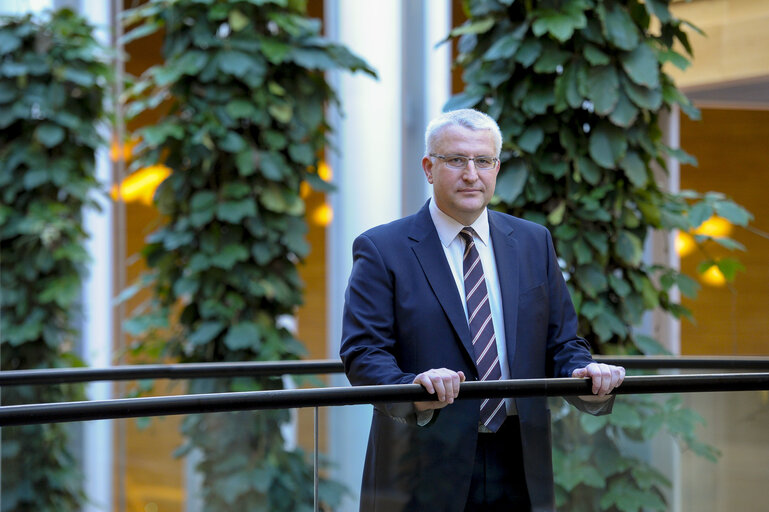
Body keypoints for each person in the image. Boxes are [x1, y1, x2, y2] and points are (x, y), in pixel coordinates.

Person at [339, 108, 625, 512]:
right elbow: (363, 354)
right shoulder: (382, 249)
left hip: (520, 460)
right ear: (428, 168)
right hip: (422, 463)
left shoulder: (532, 242)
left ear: (496, 167)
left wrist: (584, 371)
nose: (471, 174)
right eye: (456, 160)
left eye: (483, 161)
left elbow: (562, 343)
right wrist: (415, 389)